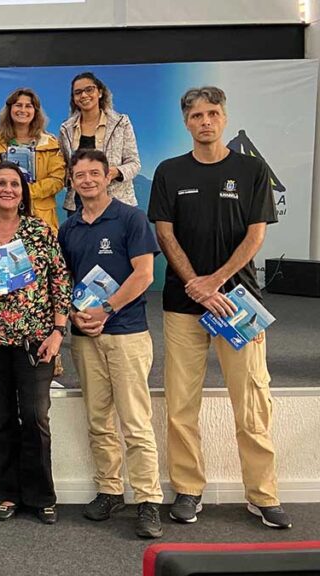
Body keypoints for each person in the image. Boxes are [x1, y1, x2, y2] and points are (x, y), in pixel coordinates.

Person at [148, 86, 291, 530]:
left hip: (239, 303)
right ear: (186, 122)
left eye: (212, 113)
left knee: (252, 402)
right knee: (180, 405)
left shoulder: (251, 170)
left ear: (224, 118)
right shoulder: (169, 171)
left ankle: (263, 495)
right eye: (196, 116)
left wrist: (214, 282)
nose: (205, 122)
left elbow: (256, 235)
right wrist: (196, 284)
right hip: (183, 305)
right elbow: (165, 234)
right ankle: (188, 490)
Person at [57, 149, 163, 539]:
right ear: (71, 181)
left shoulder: (130, 218)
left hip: (127, 334)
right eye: (79, 175)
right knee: (99, 421)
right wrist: (74, 313)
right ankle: (110, 490)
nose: (87, 180)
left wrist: (106, 309)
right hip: (86, 337)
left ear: (108, 177)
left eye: (94, 173)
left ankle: (148, 499)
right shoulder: (69, 228)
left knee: (135, 422)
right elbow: (65, 280)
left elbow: (144, 274)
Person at [0, 161, 70, 525]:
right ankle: (8, 493)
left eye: (14, 184)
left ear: (23, 193)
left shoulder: (40, 231)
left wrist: (58, 332)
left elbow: (60, 281)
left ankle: (42, 496)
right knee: (4, 417)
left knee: (36, 416)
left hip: (36, 339)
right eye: (1, 183)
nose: (7, 189)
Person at [58, 72, 142, 215]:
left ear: (100, 92)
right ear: (74, 99)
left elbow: (134, 163)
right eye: (78, 92)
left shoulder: (121, 123)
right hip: (79, 205)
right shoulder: (66, 129)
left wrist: (114, 172)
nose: (84, 95)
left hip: (118, 202)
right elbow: (64, 167)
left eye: (89, 89)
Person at [0, 88, 66, 231]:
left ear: (35, 111)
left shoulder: (49, 143)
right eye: (18, 105)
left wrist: (25, 191)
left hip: (42, 217)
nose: (23, 110)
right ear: (10, 109)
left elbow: (57, 180)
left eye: (28, 106)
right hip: (4, 215)